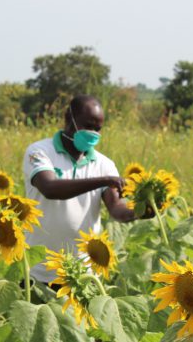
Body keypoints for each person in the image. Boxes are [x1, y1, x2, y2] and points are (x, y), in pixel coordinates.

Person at [22, 95, 136, 285]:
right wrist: (104, 181)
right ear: (69, 118)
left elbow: (116, 208)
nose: (92, 133)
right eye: (87, 126)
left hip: (83, 274)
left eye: (97, 129)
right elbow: (49, 188)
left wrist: (139, 212)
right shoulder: (39, 152)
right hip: (38, 270)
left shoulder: (104, 164)